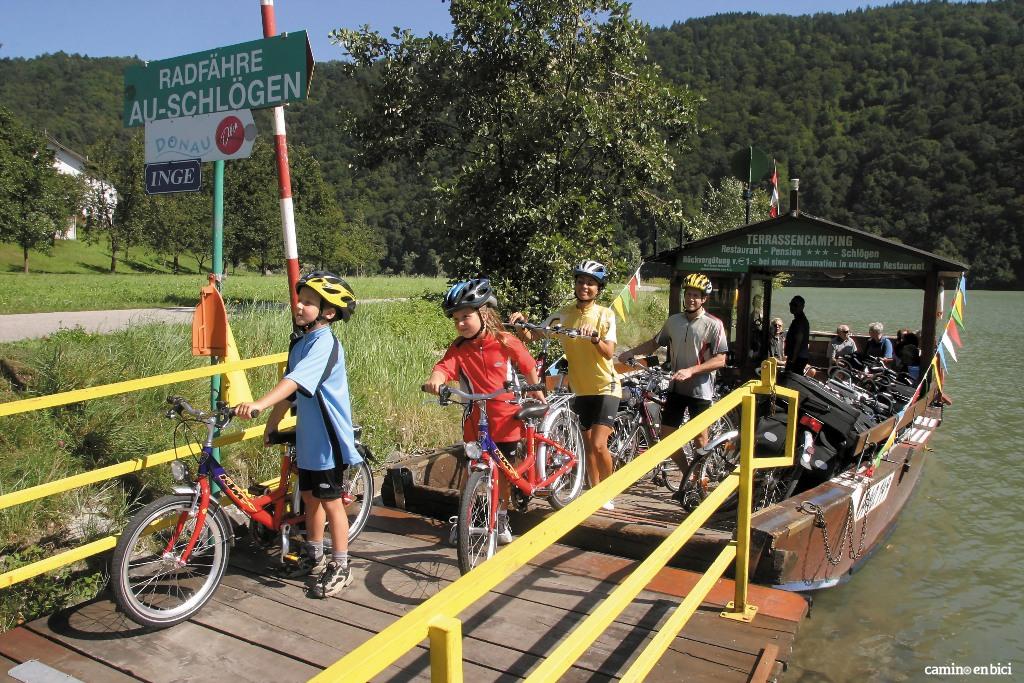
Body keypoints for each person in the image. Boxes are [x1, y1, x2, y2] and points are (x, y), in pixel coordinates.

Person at [235, 272, 361, 599]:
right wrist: (272, 424)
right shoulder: (302, 341)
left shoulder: (325, 343)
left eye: (308, 302)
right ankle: (313, 555)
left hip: (328, 439)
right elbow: (293, 391)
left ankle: (342, 565)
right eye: (300, 299)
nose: (300, 305)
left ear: (328, 312)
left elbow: (294, 382)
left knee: (332, 502)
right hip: (309, 437)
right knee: (309, 498)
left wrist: (260, 404)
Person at [423, 278, 544, 544]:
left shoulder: (504, 340)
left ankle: (500, 514)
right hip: (476, 419)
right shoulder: (459, 348)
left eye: (466, 316)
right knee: (472, 469)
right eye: (456, 320)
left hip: (507, 417)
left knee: (504, 471)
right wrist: (436, 379)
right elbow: (444, 367)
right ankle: (467, 517)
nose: (460, 324)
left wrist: (535, 389)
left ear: (483, 313)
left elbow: (527, 363)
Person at [510, 260, 619, 510]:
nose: (584, 286)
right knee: (587, 445)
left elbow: (609, 352)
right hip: (579, 389)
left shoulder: (605, 315)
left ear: (598, 288)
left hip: (606, 387)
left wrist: (594, 339)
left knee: (598, 444)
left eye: (590, 283)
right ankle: (594, 490)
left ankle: (608, 490)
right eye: (581, 281)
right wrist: (520, 323)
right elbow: (533, 336)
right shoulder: (563, 315)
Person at [618, 273, 728, 500]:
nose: (691, 299)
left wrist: (691, 370)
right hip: (677, 388)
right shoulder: (674, 321)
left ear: (704, 299)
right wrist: (630, 352)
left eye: (696, 296)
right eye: (688, 295)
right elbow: (653, 343)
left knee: (700, 439)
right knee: (667, 436)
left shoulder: (714, 325)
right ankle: (688, 475)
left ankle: (699, 485)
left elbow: (721, 359)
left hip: (701, 390)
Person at [784, 295, 810, 375]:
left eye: (795, 305)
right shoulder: (798, 320)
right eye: (791, 304)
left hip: (798, 358)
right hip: (798, 357)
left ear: (802, 307)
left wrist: (792, 360)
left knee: (790, 381)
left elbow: (798, 341)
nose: (792, 307)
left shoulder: (800, 321)